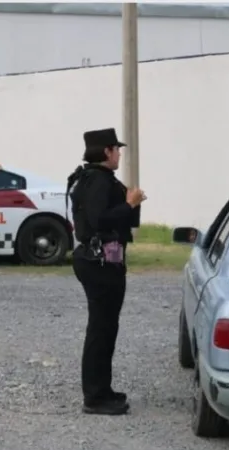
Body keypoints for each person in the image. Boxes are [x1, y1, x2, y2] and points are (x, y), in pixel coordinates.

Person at [67, 128, 146, 416]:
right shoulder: (98, 181)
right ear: (106, 152)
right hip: (100, 262)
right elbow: (99, 220)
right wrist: (129, 204)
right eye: (116, 149)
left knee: (105, 328)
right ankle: (95, 397)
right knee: (101, 329)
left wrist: (129, 204)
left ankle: (102, 389)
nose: (119, 154)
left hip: (100, 261)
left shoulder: (92, 179)